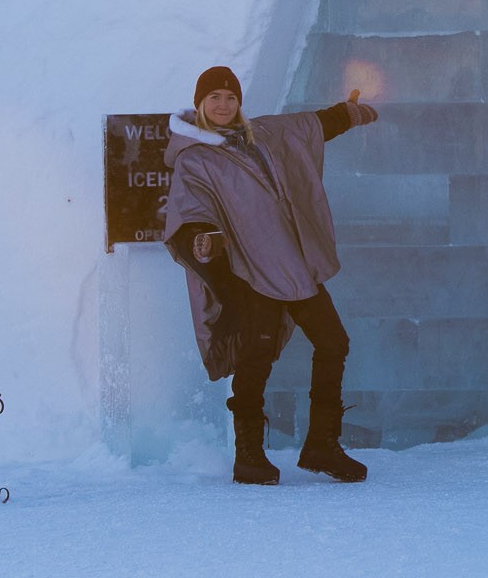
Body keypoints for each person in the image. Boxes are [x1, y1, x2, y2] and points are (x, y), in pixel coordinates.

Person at [163, 65, 380, 484]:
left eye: (230, 98)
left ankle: (322, 444)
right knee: (255, 360)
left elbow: (309, 127)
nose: (223, 105)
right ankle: (248, 456)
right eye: (214, 98)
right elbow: (189, 215)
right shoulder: (195, 159)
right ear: (200, 104)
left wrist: (349, 114)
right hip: (251, 272)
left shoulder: (262, 133)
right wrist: (203, 242)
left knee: (333, 342)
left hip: (293, 264)